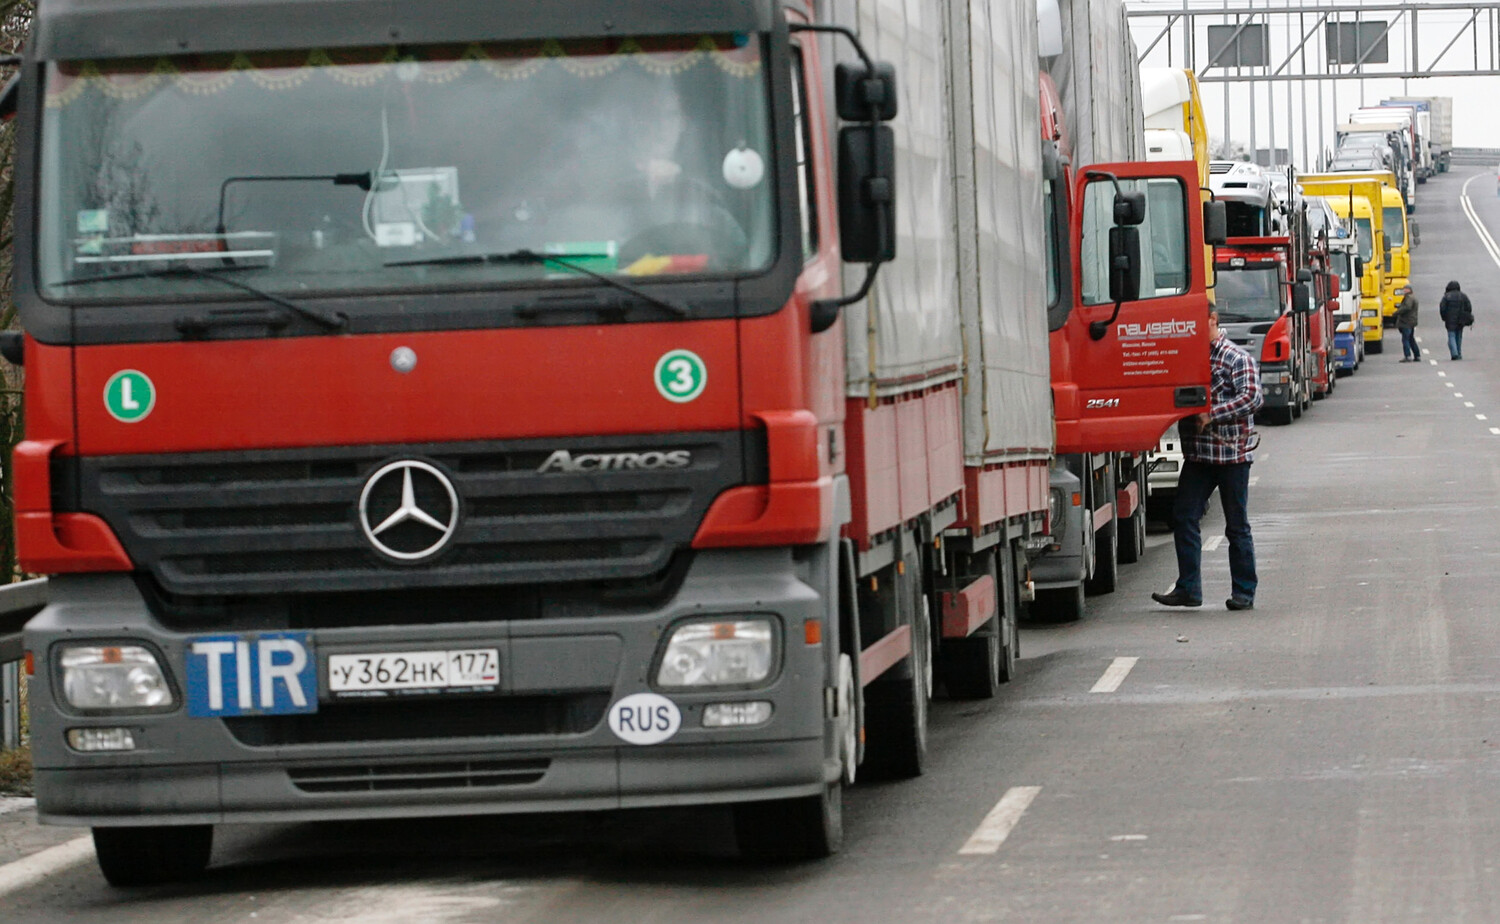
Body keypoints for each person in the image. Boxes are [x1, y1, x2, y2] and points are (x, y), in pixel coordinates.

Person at [1152, 308, 1264, 611]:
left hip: (1231, 457)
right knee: (1184, 516)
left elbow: (1252, 397)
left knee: (1236, 525)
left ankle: (1244, 592)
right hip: (1199, 457)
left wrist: (1211, 414)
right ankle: (1188, 589)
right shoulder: (1186, 358)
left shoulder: (1235, 357)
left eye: (1195, 324)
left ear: (1213, 321)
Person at [1439, 280, 1474, 360]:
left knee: (1451, 335)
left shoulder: (1446, 297)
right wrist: (1466, 316)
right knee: (1459, 336)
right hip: (1461, 319)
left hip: (1450, 319)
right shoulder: (1463, 296)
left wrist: (1444, 317)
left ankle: (1454, 353)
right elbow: (1469, 307)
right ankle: (1458, 352)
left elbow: (1442, 308)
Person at [1395, 285, 1420, 362]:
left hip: (1406, 321)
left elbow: (1407, 307)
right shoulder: (1413, 297)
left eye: (1405, 289)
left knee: (1405, 339)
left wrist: (1397, 312)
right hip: (1411, 321)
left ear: (1408, 290)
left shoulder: (1409, 298)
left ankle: (1407, 356)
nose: (1404, 291)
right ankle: (1417, 355)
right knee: (1411, 338)